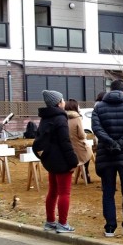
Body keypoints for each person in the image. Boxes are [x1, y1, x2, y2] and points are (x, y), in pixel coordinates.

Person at [92, 79, 123, 237]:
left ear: (110, 89)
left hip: (105, 155)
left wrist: (110, 143)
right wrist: (120, 144)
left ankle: (109, 227)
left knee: (108, 192)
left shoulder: (98, 107)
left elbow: (96, 128)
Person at [34, 90, 79, 233]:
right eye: (62, 99)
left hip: (50, 160)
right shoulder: (60, 118)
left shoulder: (45, 118)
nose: (64, 101)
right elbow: (65, 142)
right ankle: (63, 223)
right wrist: (73, 161)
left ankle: (50, 221)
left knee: (52, 192)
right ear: (59, 103)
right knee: (64, 193)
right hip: (62, 161)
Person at [65, 98, 93, 182]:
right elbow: (81, 135)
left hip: (68, 147)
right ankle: (86, 173)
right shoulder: (77, 118)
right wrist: (85, 135)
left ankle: (84, 173)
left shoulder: (63, 118)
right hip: (78, 147)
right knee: (88, 153)